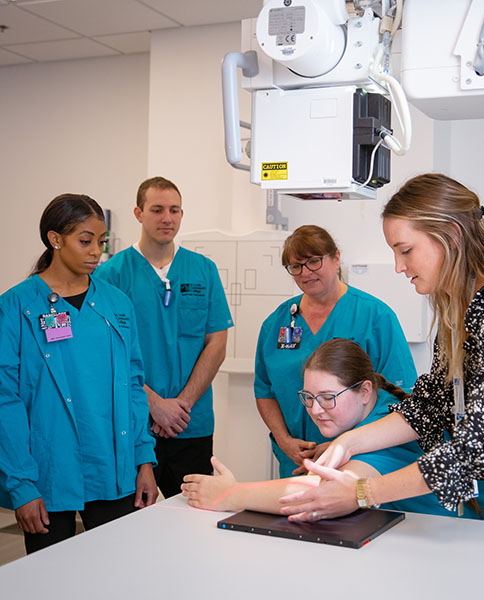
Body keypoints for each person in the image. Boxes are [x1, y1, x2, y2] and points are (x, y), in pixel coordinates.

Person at [279, 173, 484, 600]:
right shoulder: (463, 307)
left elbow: (477, 447)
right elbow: (429, 405)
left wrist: (361, 492)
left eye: (405, 250)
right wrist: (350, 443)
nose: (398, 266)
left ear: (450, 235)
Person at [182, 338, 484, 522]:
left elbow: (318, 490)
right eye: (308, 397)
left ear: (365, 392)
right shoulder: (378, 408)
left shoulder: (387, 428)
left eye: (328, 398)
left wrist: (229, 494)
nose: (315, 410)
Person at [0, 194, 157, 554]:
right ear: (55, 240)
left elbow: (134, 387)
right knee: (50, 583)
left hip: (114, 468)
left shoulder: (116, 303)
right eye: (85, 241)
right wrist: (22, 486)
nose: (96, 252)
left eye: (101, 242)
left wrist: (144, 460)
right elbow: (4, 401)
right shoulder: (16, 307)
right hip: (47, 472)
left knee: (120, 574)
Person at [95, 176, 233, 498]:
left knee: (194, 518)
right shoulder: (111, 275)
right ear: (138, 213)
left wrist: (180, 406)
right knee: (137, 522)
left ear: (182, 214)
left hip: (191, 424)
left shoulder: (203, 270)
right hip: (136, 425)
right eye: (157, 209)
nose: (167, 218)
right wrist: (155, 405)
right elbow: (109, 355)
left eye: (174, 210)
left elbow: (217, 343)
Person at [254, 224, 418, 478]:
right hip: (296, 458)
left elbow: (400, 394)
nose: (305, 272)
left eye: (314, 262)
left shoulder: (374, 316)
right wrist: (284, 440)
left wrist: (345, 443)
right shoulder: (277, 323)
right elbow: (264, 390)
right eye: (296, 266)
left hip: (361, 458)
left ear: (336, 258)